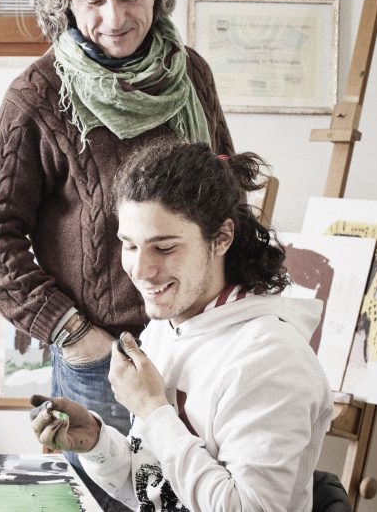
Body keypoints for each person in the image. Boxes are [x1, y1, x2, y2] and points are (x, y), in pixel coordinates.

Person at [0, 0, 232, 507]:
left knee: (207, 499)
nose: (115, 18)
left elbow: (225, 194)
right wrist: (76, 336)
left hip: (203, 350)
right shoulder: (38, 96)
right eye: (93, 1)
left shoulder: (191, 75)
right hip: (105, 361)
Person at [31, 140, 334, 511]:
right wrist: (97, 444)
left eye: (164, 247)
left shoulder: (270, 359)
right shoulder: (166, 328)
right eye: (129, 245)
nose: (140, 271)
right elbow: (156, 494)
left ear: (221, 238)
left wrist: (155, 411)